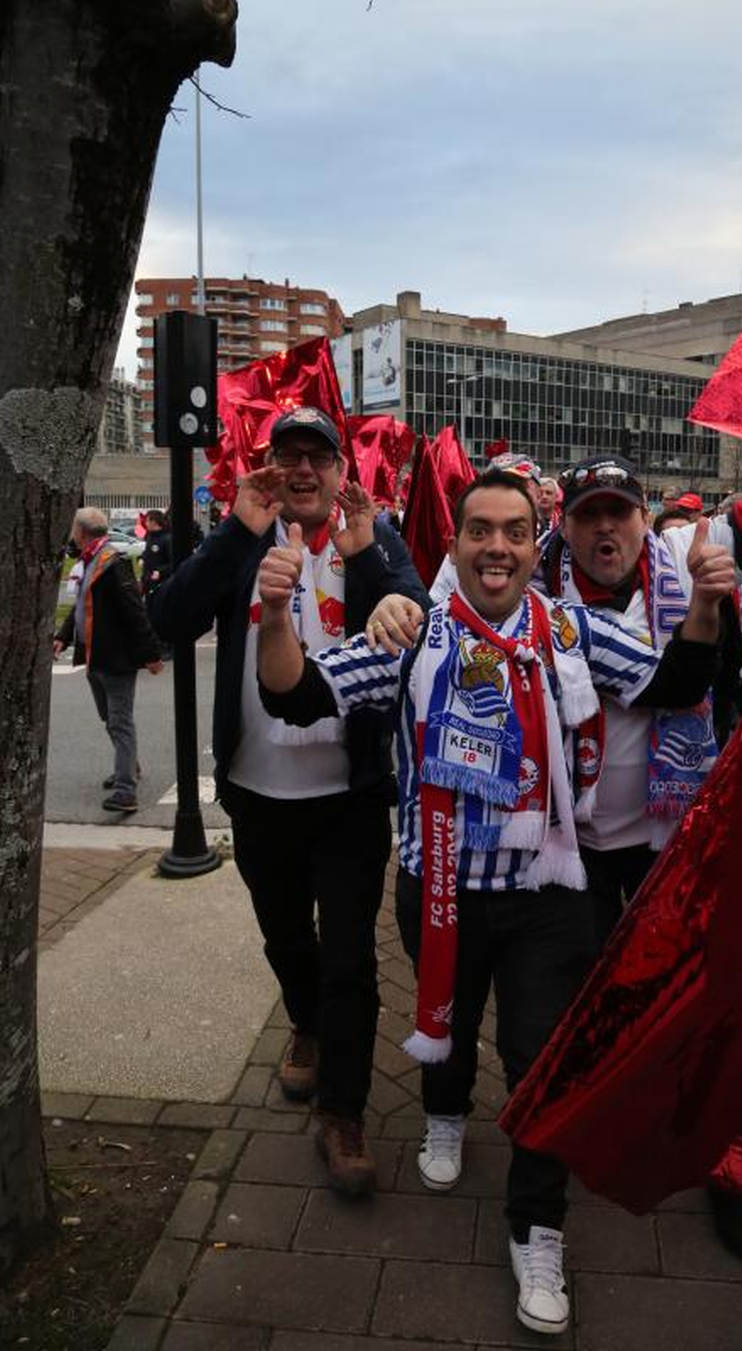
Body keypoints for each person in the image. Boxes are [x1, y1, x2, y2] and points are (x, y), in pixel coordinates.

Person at [365, 361, 742, 1266]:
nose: (606, 529)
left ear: (645, 519)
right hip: (565, 855)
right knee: (549, 1013)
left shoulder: (685, 562)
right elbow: (436, 616)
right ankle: (529, 1125)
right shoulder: (533, 589)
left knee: (689, 1006)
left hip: (666, 840)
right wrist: (390, 597)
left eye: (621, 513)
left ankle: (713, 1165)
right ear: (562, 528)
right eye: (588, 516)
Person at [255, 466, 732, 1336]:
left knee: (538, 1056)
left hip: (546, 893)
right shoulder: (412, 631)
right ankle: (443, 1114)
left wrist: (704, 602)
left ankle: (537, 1228)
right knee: (449, 1019)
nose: (498, 547)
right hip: (439, 884)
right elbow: (296, 694)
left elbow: (673, 683)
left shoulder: (570, 629)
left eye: (515, 530)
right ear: (456, 542)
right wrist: (278, 613)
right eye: (481, 530)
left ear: (534, 542)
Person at [149, 406, 429, 1196]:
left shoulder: (369, 537)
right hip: (258, 792)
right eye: (289, 455)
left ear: (340, 472)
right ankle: (304, 1022)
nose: (304, 469)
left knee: (350, 960)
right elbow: (168, 618)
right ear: (269, 466)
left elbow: (419, 621)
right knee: (285, 939)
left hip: (348, 797)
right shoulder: (244, 539)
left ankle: (343, 1113)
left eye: (319, 457)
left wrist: (369, 562)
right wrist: (235, 532)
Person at [54, 507, 163, 813]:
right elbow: (81, 605)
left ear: (81, 532)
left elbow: (134, 610)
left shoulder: (112, 563)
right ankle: (128, 765)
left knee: (119, 721)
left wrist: (151, 654)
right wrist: (64, 636)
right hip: (95, 655)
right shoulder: (90, 560)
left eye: (74, 530)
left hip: (115, 657)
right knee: (109, 719)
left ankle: (126, 791)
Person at [429, 453, 543, 603]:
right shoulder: (464, 547)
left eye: (516, 534)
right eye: (479, 533)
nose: (497, 548)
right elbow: (437, 601)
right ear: (454, 549)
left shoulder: (559, 543)